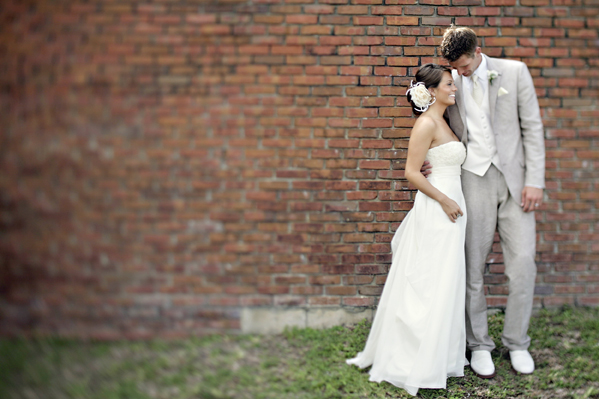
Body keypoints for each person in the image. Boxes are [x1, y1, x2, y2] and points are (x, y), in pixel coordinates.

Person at [346, 64, 468, 396]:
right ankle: (415, 357)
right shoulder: (426, 123)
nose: (453, 88)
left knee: (446, 280)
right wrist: (443, 200)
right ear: (430, 90)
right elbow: (412, 172)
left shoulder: (444, 121)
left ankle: (440, 355)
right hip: (439, 208)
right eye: (448, 84)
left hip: (452, 206)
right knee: (430, 281)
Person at [436, 26, 545, 378]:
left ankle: (517, 342)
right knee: (473, 267)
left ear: (477, 51)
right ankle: (479, 344)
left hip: (515, 184)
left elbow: (533, 127)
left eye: (465, 66)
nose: (461, 73)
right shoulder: (448, 80)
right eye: (455, 67)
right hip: (473, 179)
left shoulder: (514, 72)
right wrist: (433, 157)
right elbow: (433, 121)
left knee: (523, 264)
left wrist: (535, 182)